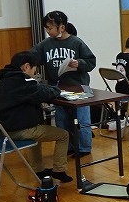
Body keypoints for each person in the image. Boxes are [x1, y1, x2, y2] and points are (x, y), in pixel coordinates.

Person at [0, 51, 71, 183]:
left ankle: (39, 170)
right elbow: (41, 93)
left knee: (36, 129)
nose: (35, 73)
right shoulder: (22, 81)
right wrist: (57, 90)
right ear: (26, 66)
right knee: (63, 135)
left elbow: (35, 91)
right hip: (19, 130)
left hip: (6, 127)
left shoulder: (5, 78)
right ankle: (59, 170)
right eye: (34, 69)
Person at [31, 10, 97, 156]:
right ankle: (68, 146)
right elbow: (32, 56)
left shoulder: (76, 42)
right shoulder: (46, 44)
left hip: (79, 86)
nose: (48, 31)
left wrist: (79, 63)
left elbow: (91, 62)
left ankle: (84, 147)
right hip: (58, 87)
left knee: (82, 119)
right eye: (46, 28)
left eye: (50, 28)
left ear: (62, 27)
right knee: (62, 119)